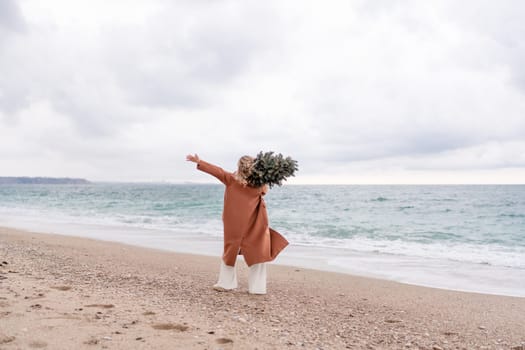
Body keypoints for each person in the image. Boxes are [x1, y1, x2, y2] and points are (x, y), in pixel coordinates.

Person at [186, 153, 288, 294]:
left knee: (230, 251)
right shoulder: (259, 184)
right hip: (255, 222)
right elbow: (264, 191)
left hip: (234, 223)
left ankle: (226, 284)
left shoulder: (231, 179)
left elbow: (217, 170)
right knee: (258, 252)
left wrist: (199, 161)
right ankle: (257, 288)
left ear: (239, 168)